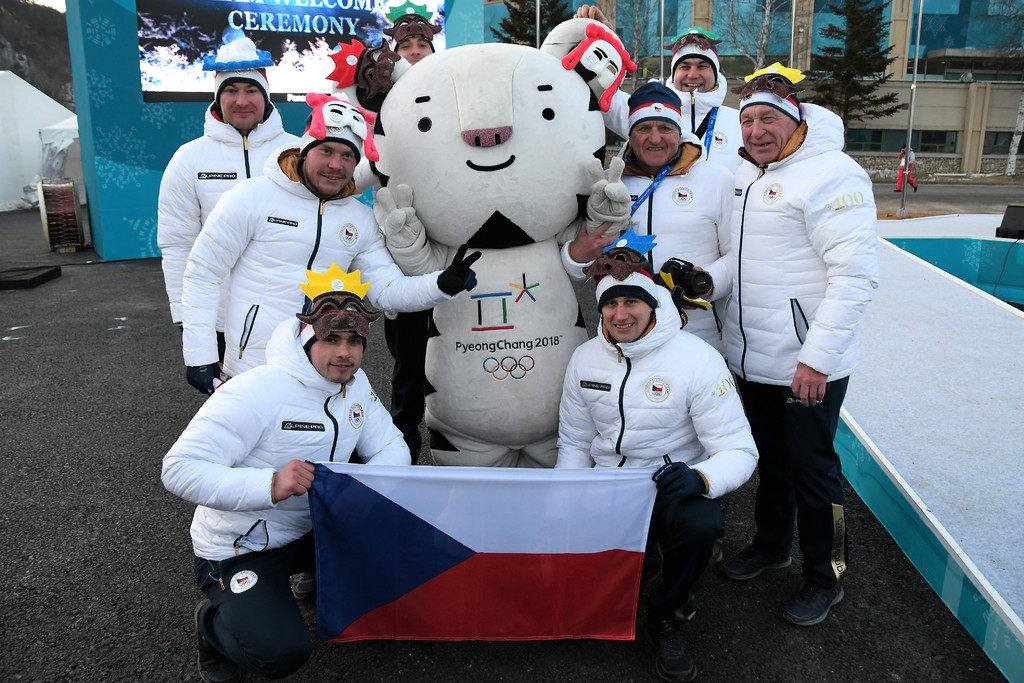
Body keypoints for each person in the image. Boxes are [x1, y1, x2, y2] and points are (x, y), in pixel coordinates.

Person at [163, 267, 412, 683]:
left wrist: (364, 494)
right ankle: (212, 624)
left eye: (354, 341)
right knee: (280, 654)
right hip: (241, 546)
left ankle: (319, 577)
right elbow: (178, 469)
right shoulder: (258, 390)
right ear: (306, 337)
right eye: (331, 339)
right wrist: (269, 485)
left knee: (401, 544)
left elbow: (390, 447)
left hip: (315, 529)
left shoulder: (356, 385)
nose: (344, 353)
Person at [179, 92, 480, 395]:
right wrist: (200, 357)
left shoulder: (359, 219)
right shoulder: (251, 196)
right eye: (326, 151)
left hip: (321, 371)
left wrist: (441, 285)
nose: (336, 164)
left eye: (348, 155)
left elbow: (387, 291)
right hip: (252, 369)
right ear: (306, 149)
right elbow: (204, 273)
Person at [718, 63, 879, 627]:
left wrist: (817, 360)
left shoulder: (832, 175)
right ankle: (771, 547)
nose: (757, 130)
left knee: (814, 471)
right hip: (755, 356)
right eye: (749, 120)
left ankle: (825, 575)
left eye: (769, 119)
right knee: (773, 462)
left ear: (796, 121)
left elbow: (855, 277)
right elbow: (744, 263)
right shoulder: (750, 176)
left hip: (806, 363)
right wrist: (706, 283)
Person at [557, 233, 757, 682]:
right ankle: (618, 581)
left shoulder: (698, 360)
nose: (620, 314)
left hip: (671, 484)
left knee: (700, 526)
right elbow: (573, 442)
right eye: (611, 304)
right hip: (610, 483)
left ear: (655, 305)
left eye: (632, 302)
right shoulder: (585, 358)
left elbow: (740, 451)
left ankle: (668, 616)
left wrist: (701, 479)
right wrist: (566, 499)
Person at [158, 36, 298, 361]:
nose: (241, 100)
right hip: (219, 316)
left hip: (289, 310)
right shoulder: (189, 158)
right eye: (231, 91)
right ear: (217, 97)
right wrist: (185, 314)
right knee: (229, 406)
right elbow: (177, 243)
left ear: (265, 95)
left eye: (251, 90)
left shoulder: (297, 152)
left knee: (295, 402)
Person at [567, 81, 733, 354]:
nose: (655, 139)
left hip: (697, 334)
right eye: (644, 128)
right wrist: (576, 256)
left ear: (680, 134)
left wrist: (709, 281)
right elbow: (577, 266)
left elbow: (737, 255)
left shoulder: (716, 179)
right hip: (624, 333)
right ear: (629, 137)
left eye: (665, 128)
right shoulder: (607, 185)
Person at [574, 7, 742, 172]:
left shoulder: (740, 122)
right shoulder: (647, 112)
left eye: (702, 66)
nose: (692, 74)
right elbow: (600, 89)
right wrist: (603, 38)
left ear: (715, 73)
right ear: (674, 73)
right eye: (684, 66)